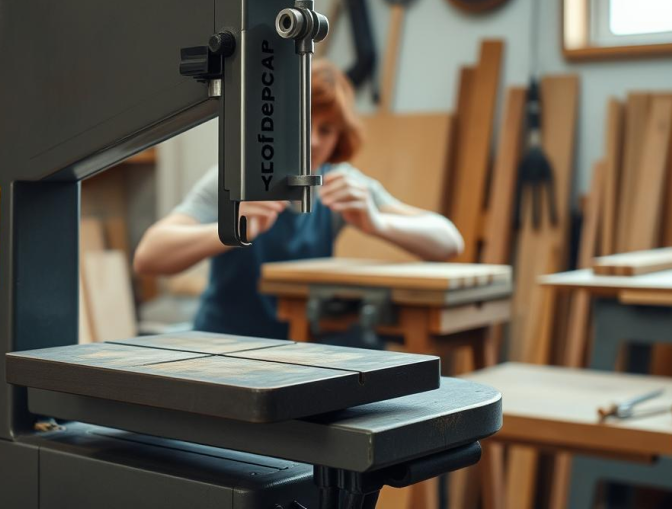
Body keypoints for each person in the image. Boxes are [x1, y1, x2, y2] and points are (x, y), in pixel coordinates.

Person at [134, 60, 464, 339]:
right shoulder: (233, 178)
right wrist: (231, 228)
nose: (313, 141)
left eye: (327, 130)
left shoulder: (338, 182)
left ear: (340, 138)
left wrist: (378, 223)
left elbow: (448, 241)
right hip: (225, 345)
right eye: (304, 123)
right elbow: (149, 256)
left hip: (301, 348)